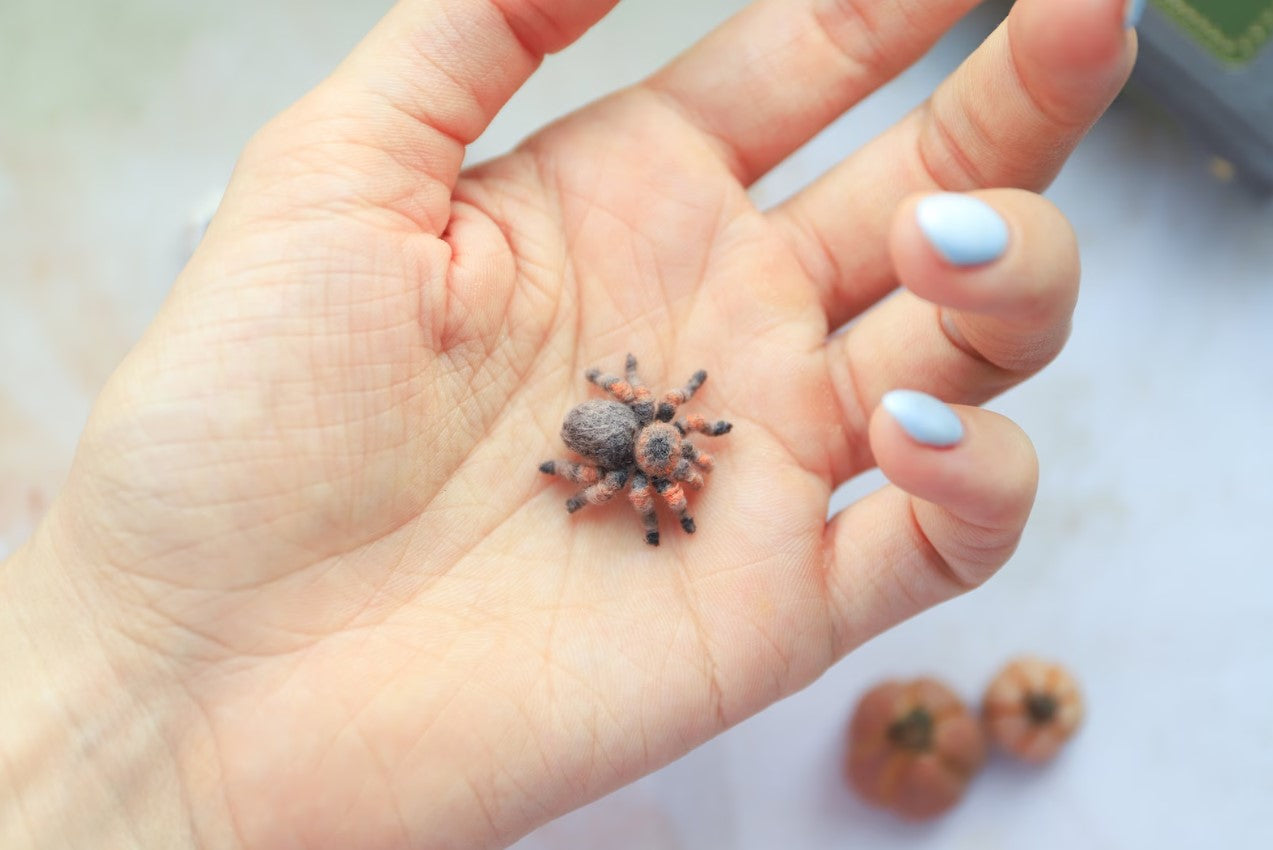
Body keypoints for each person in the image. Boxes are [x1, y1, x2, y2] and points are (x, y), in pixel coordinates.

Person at [0, 0, 1139, 847]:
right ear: (657, 444)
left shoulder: (668, 433)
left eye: (675, 453)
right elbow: (640, 465)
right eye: (672, 456)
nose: (678, 459)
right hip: (589, 421)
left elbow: (670, 416)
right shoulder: (646, 460)